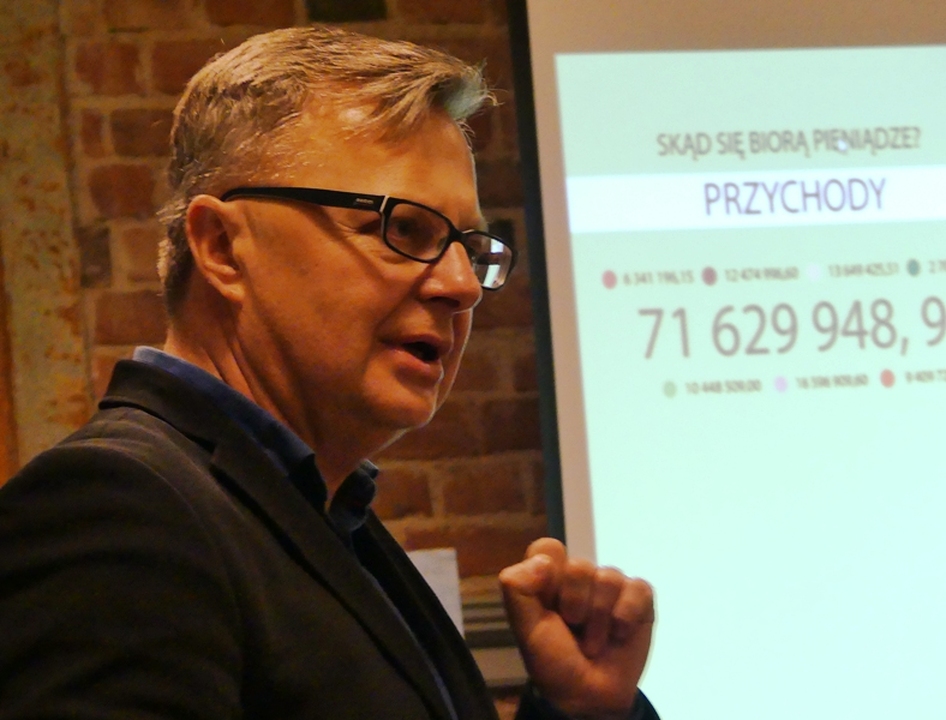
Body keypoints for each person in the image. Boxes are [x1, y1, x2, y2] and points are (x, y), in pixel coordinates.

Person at [0, 26, 657, 720]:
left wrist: (578, 712)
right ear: (222, 247)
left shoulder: (325, 514)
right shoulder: (116, 510)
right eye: (403, 229)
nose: (462, 285)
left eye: (469, 246)